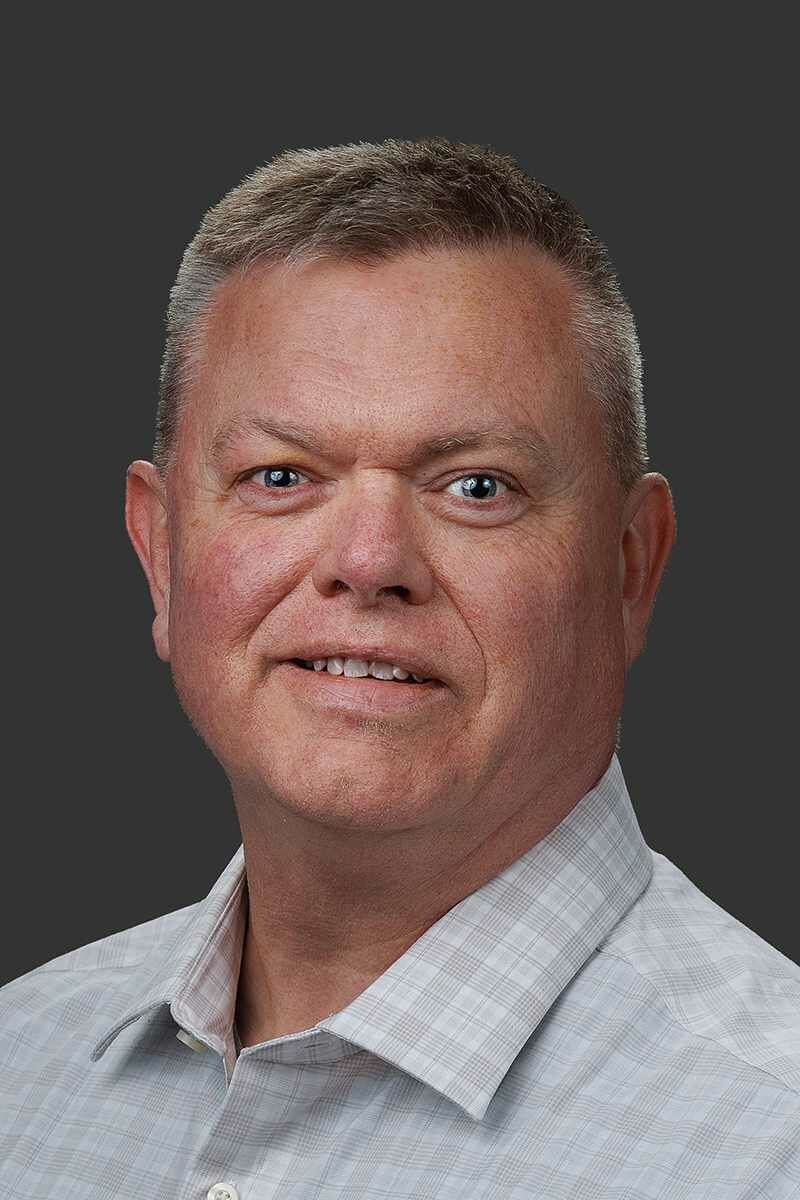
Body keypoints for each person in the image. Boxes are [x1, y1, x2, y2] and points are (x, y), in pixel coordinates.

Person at [1, 137, 797, 1199]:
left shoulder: (769, 1142)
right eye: (280, 476)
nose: (370, 562)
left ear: (628, 569)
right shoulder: (20, 1072)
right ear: (161, 555)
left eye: (476, 487)